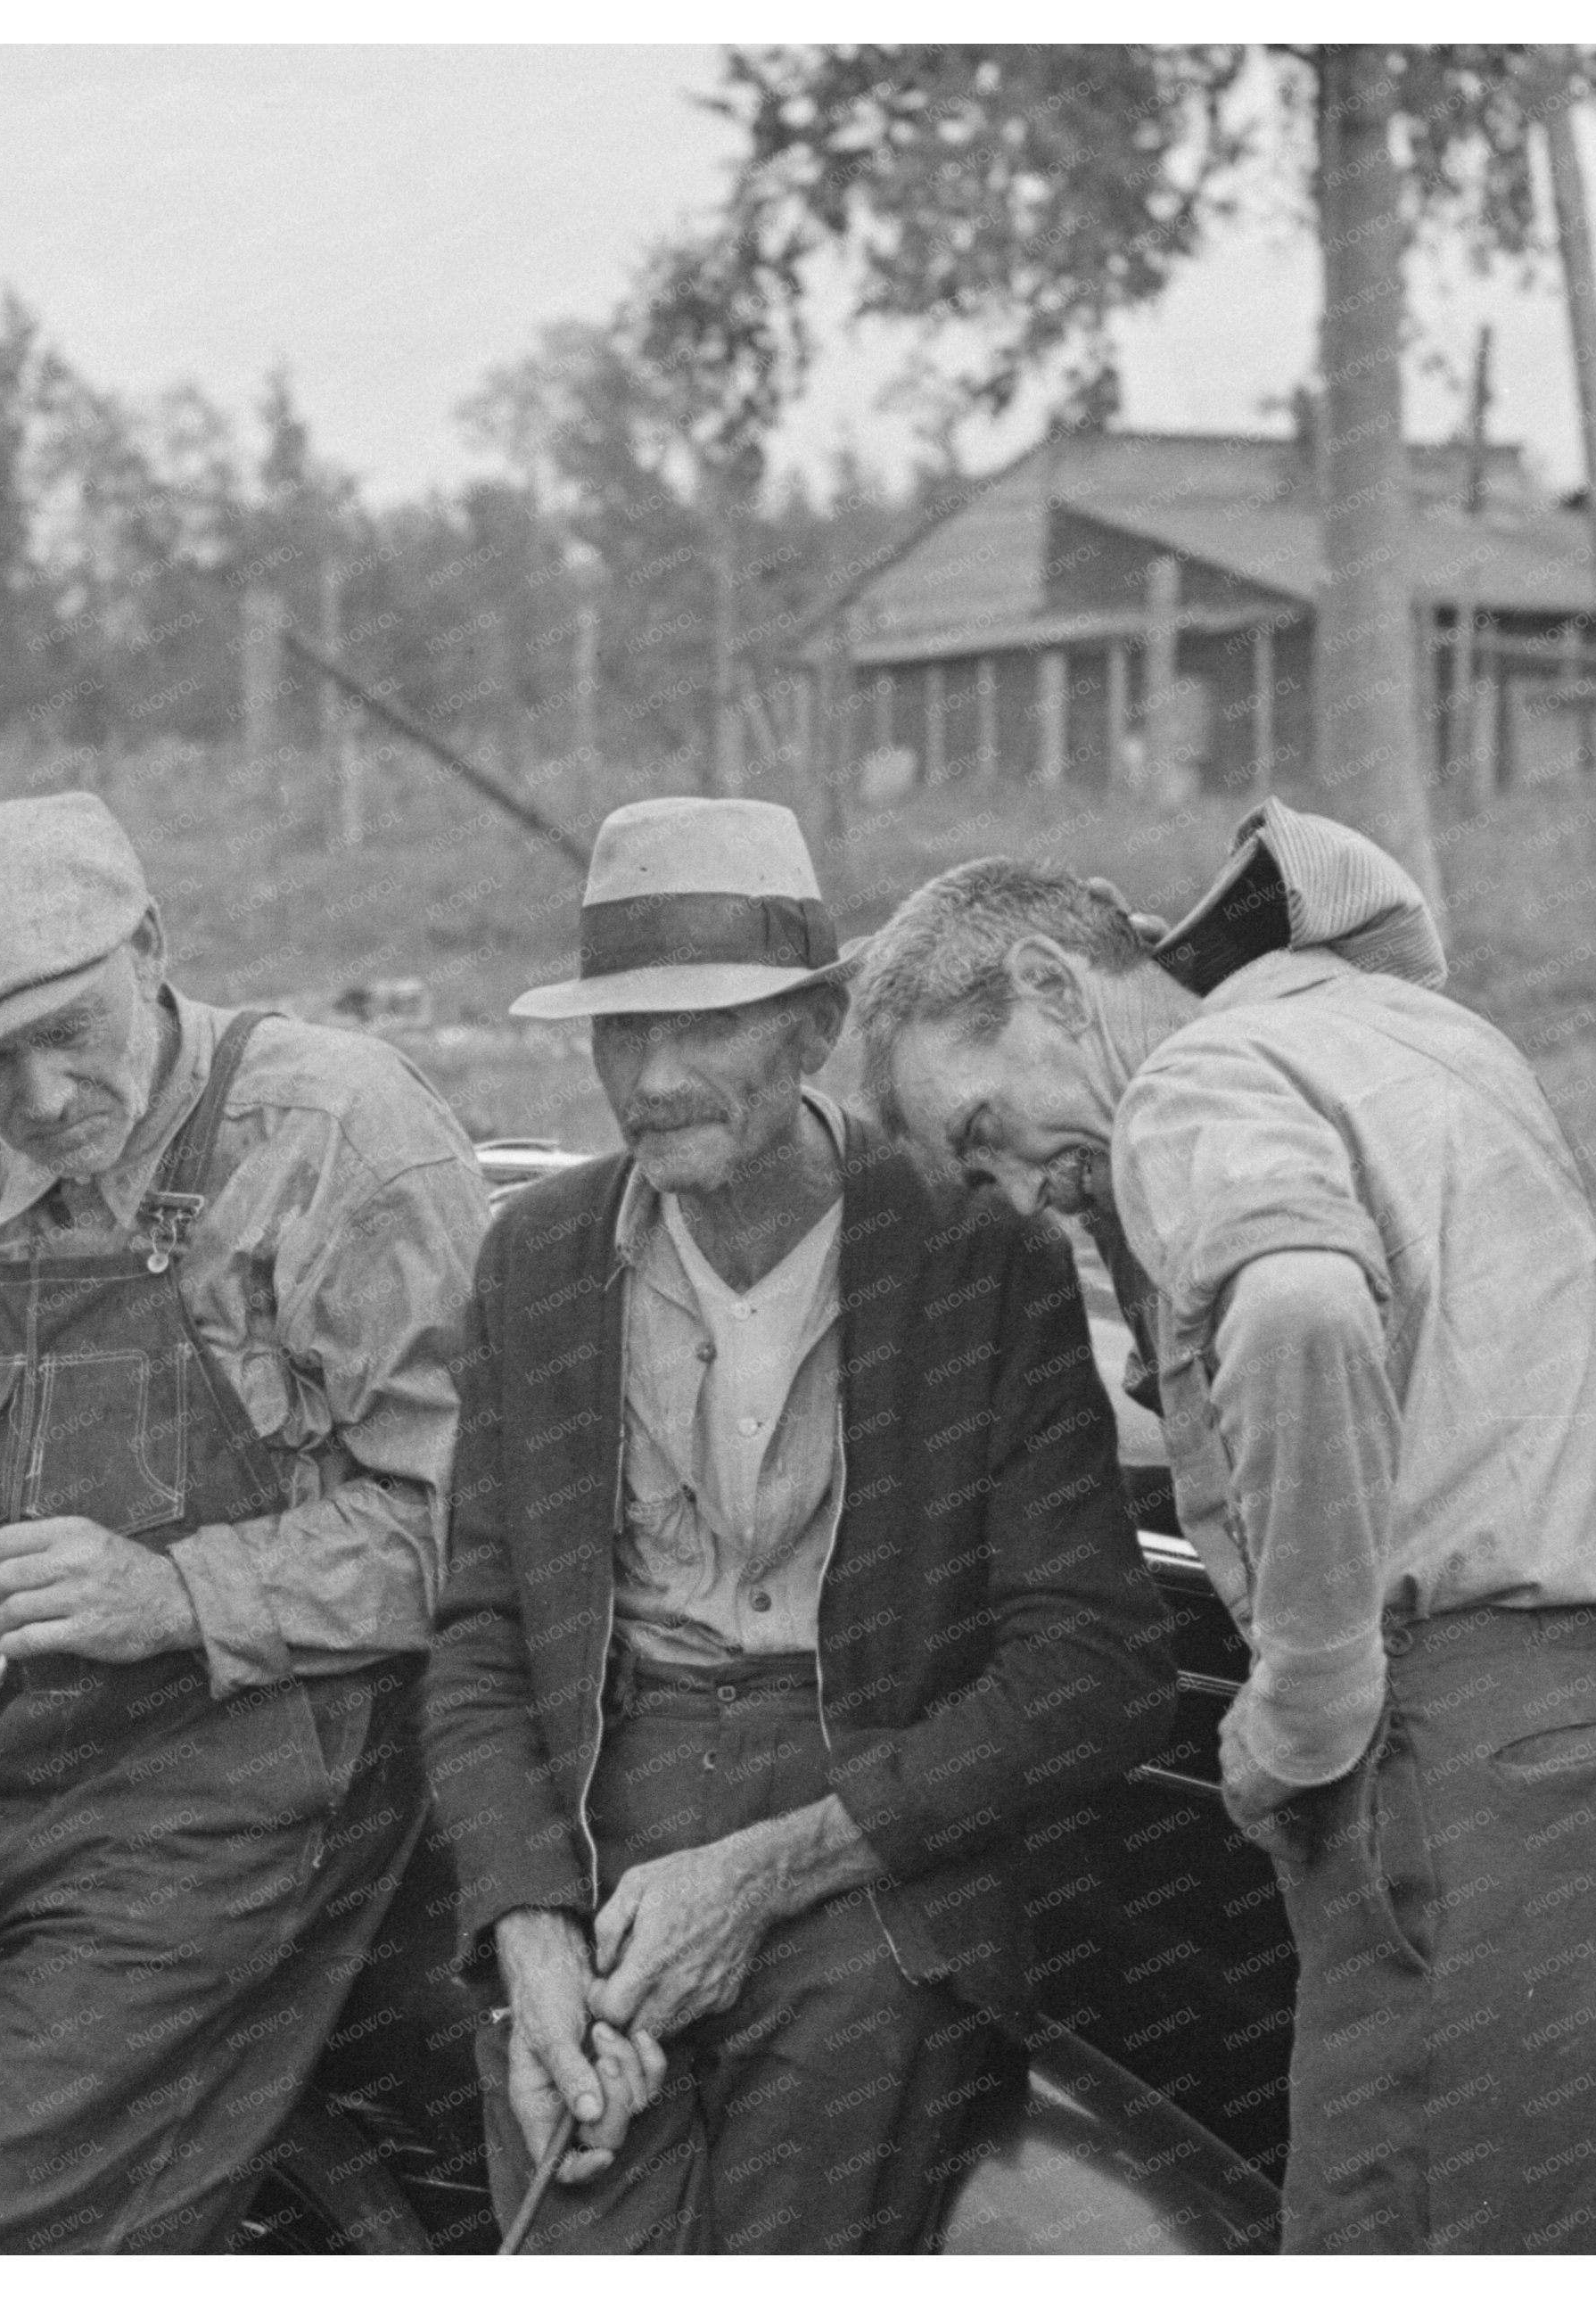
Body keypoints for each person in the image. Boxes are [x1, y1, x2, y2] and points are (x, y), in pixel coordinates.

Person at [850, 800, 1596, 2254]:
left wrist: (1304, 1693)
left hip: (1484, 1814)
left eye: (986, 1133)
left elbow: (1298, 1308)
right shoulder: (1408, 1038)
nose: (1021, 1192)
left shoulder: (1183, 1090)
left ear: (1049, 983)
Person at [422, 796, 1177, 2253]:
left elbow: (1094, 1670)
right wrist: (529, 1930)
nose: (652, 1077)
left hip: (872, 1836)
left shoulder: (978, 1248)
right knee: (574, 2199)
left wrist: (767, 1871)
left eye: (702, 1025)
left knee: (817, 2174)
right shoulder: (538, 1258)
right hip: (603, 1820)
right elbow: (481, 1639)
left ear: (817, 1023)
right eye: (618, 1031)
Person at [0, 791, 486, 2251]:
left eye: (67, 1033)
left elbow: (469, 1523)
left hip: (249, 1803)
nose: (35, 1098)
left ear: (152, 947)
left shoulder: (336, 1134)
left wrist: (173, 1595)